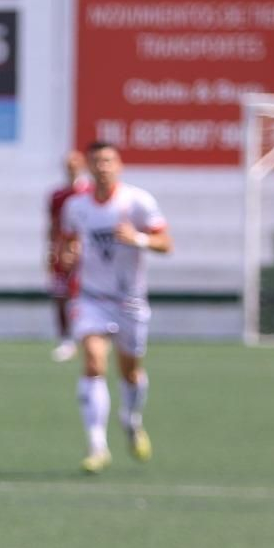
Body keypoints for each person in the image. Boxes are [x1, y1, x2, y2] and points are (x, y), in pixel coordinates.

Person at [58, 140, 173, 473]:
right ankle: (97, 445)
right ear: (88, 167)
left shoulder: (137, 202)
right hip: (91, 297)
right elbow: (66, 246)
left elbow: (166, 243)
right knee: (94, 361)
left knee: (130, 371)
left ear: (119, 165)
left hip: (130, 301)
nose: (102, 167)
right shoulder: (76, 206)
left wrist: (137, 238)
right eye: (96, 161)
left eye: (108, 160)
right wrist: (67, 257)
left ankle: (131, 420)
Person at [46, 150, 91, 363]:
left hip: (87, 253)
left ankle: (87, 335)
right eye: (68, 165)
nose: (71, 168)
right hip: (62, 251)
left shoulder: (90, 192)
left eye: (75, 164)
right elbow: (53, 226)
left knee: (84, 295)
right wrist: (51, 251)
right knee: (60, 295)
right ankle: (65, 339)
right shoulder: (57, 195)